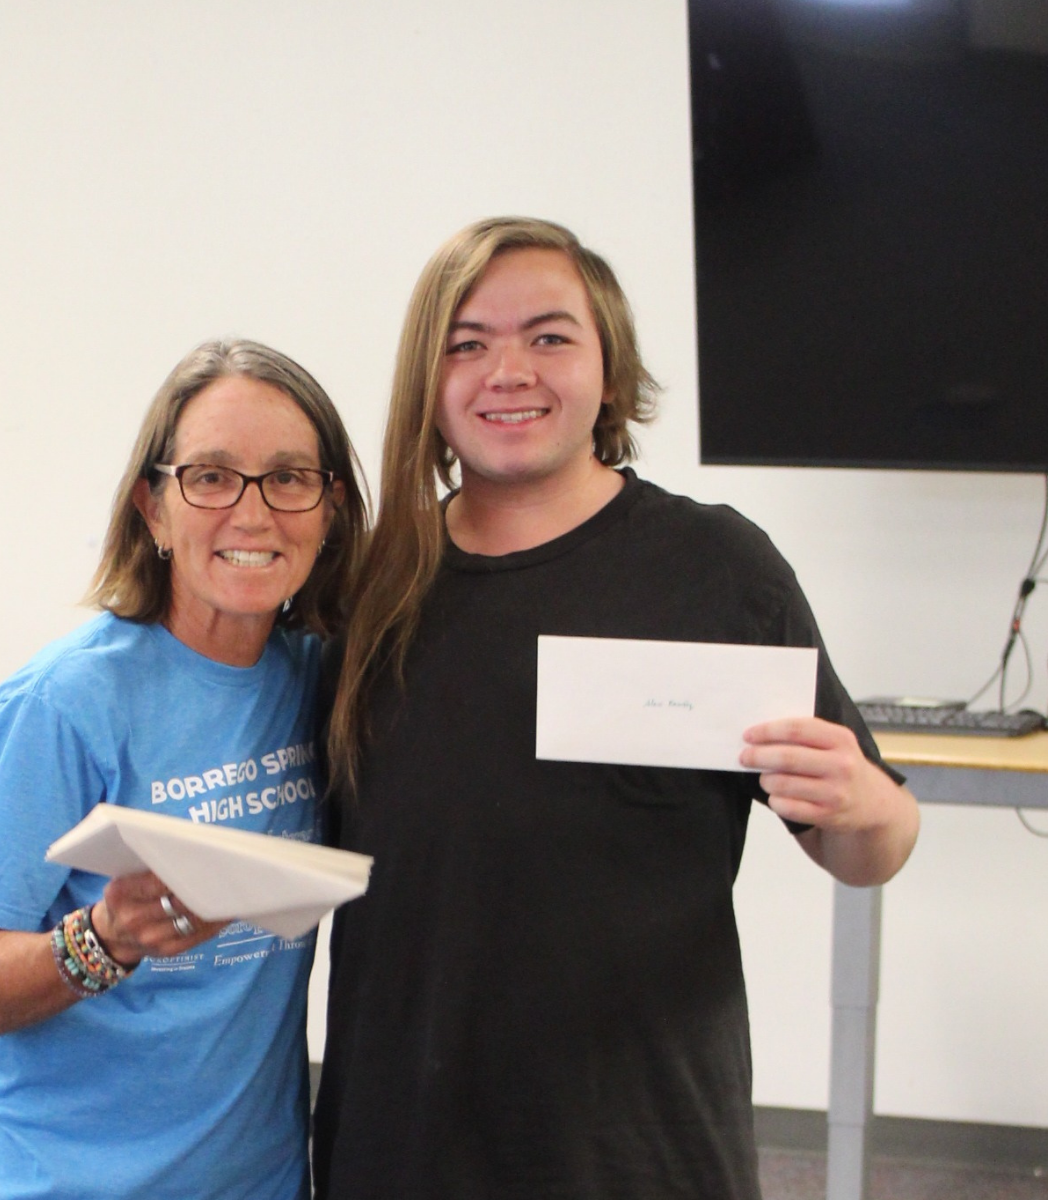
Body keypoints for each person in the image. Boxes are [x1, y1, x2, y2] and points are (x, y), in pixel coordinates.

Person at [312, 218, 920, 1200]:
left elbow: (870, 846)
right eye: (467, 343)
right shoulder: (369, 586)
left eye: (550, 336)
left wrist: (867, 805)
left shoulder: (717, 568)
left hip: (642, 1154)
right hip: (404, 1146)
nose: (508, 370)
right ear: (428, 379)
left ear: (609, 367)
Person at [0, 338, 368, 1200]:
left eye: (288, 478)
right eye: (211, 476)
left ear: (329, 509)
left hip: (254, 1182)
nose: (252, 514)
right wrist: (108, 938)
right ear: (153, 509)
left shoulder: (325, 681)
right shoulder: (63, 703)